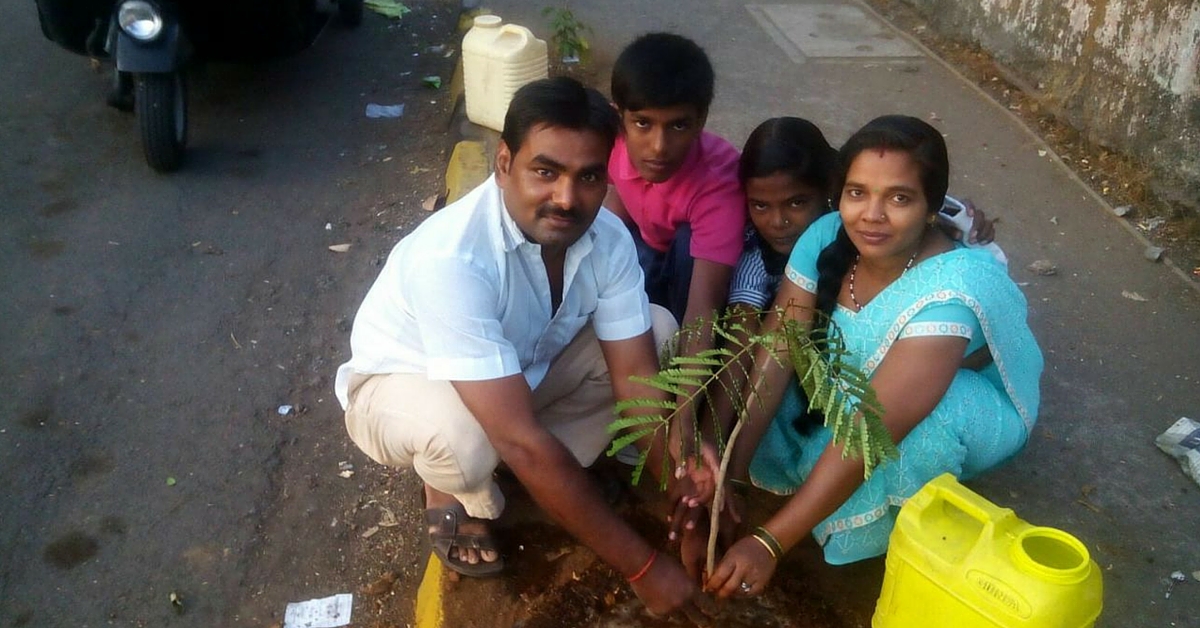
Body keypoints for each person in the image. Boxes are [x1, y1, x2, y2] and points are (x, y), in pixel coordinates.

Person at [334, 77, 710, 621]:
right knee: (463, 440)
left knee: (654, 330)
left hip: (517, 375)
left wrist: (684, 500)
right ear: (504, 163)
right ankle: (452, 493)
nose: (566, 198)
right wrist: (644, 567)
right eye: (545, 171)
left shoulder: (607, 239)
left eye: (588, 177)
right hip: (399, 387)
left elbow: (636, 382)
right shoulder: (453, 259)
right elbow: (520, 436)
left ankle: (532, 475)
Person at [699, 115, 1043, 598]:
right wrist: (731, 478)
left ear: (930, 208)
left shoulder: (951, 289)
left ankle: (886, 529)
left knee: (921, 435)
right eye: (857, 193)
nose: (871, 215)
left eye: (899, 198)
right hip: (858, 383)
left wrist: (770, 541)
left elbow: (873, 427)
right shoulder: (824, 234)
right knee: (778, 392)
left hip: (958, 403)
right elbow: (778, 353)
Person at [604, 32, 745, 327]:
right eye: (643, 123)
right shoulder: (609, 140)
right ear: (620, 118)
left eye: (678, 125)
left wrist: (684, 370)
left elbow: (703, 309)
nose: (658, 146)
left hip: (693, 273)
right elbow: (613, 202)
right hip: (646, 251)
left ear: (701, 120)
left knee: (685, 242)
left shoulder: (718, 185)